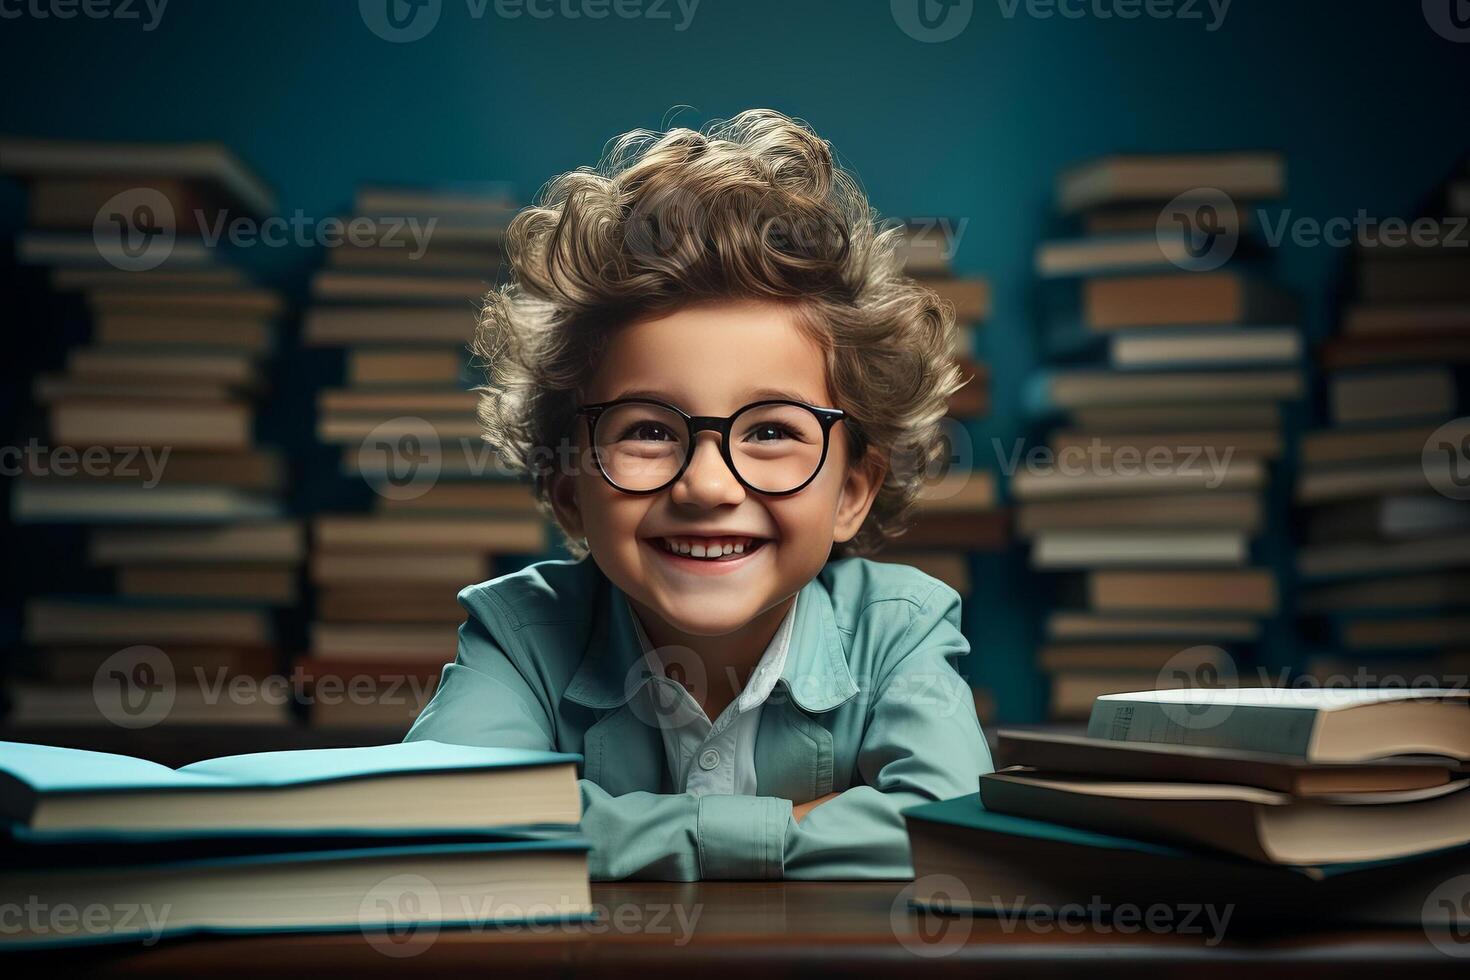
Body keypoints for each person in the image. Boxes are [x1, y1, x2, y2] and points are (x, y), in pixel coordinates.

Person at [405, 109, 992, 880]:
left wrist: (602, 827)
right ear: (570, 491)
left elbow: (951, 826)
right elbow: (443, 814)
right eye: (647, 431)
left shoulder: (898, 631)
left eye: (773, 431)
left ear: (852, 490)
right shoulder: (522, 633)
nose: (707, 484)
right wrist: (789, 831)